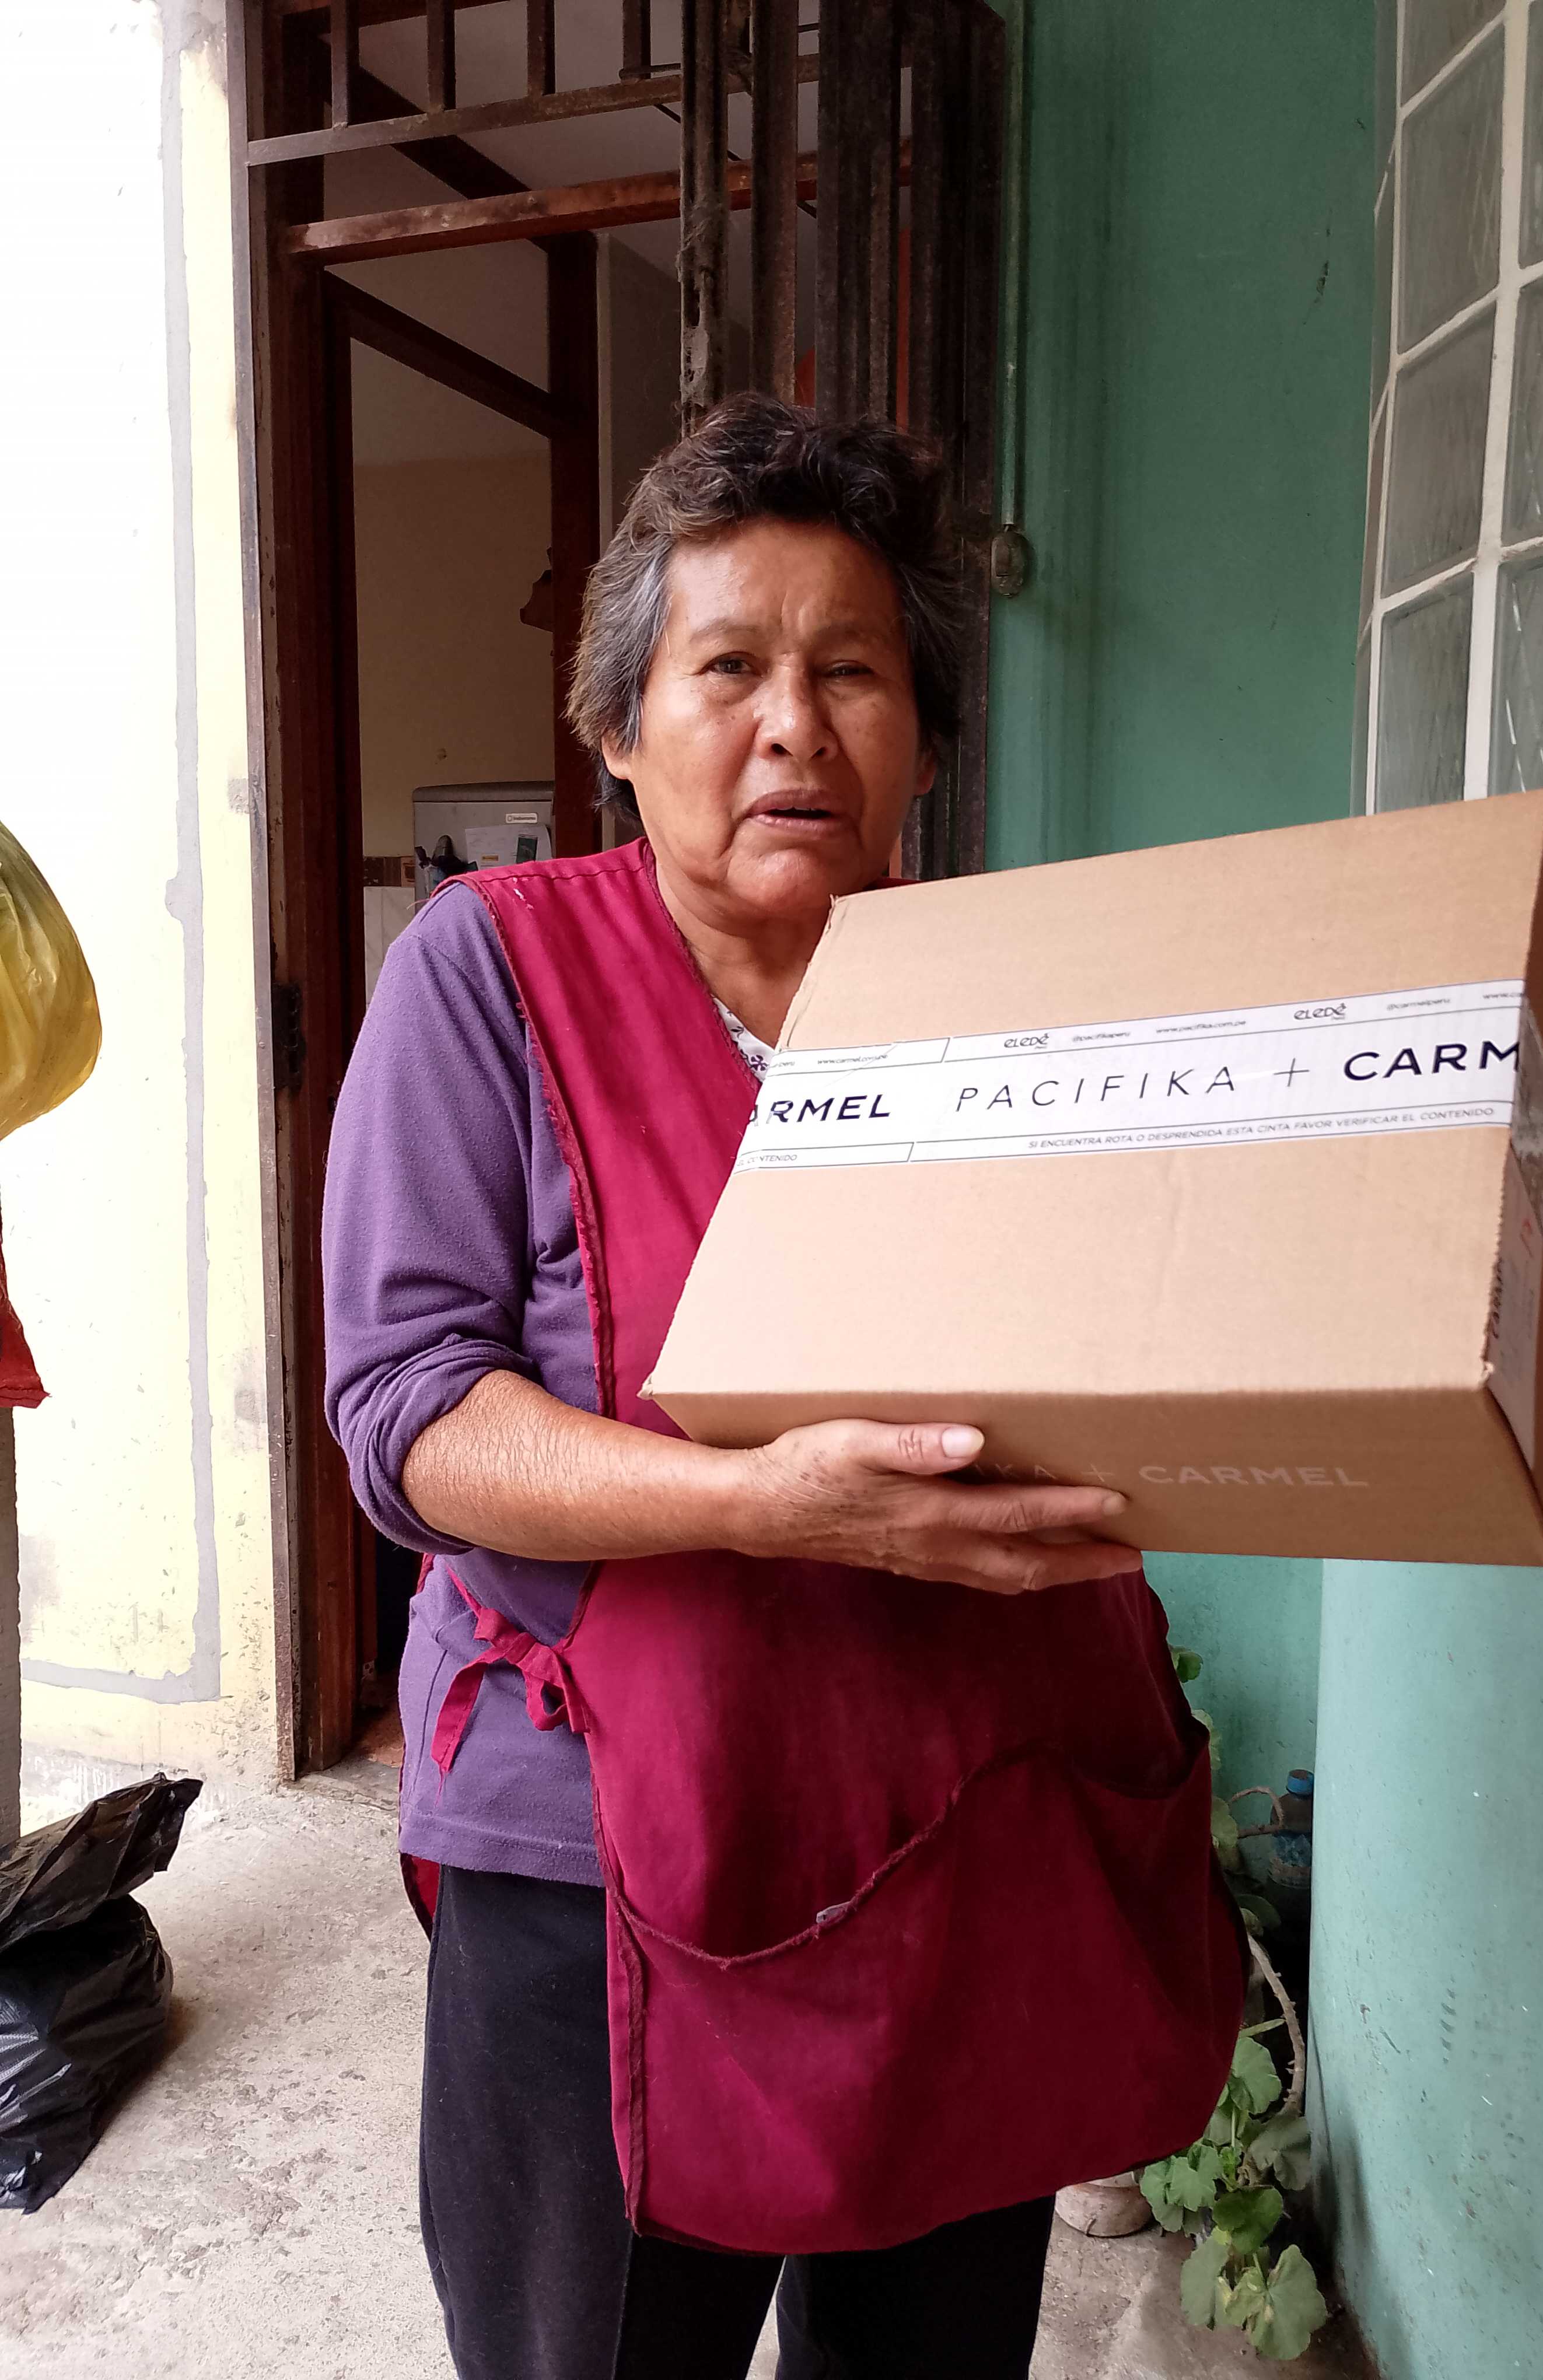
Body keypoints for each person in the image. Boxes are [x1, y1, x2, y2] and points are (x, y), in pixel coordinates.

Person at [324, 394, 1240, 2380]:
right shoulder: (490, 977)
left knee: (929, 2349)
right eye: (728, 668)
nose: (794, 727)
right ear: (621, 724)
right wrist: (754, 1504)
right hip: (607, 1859)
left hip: (968, 1821)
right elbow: (408, 1411)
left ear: (927, 737)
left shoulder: (1018, 1002)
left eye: (854, 673)